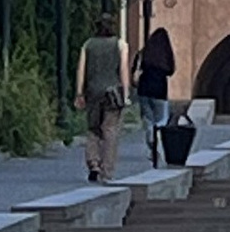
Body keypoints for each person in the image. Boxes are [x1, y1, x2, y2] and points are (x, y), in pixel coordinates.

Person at [76, 15, 128, 183]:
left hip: (93, 92)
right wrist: (125, 94)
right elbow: (123, 71)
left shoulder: (88, 44)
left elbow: (81, 70)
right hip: (113, 92)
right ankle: (107, 170)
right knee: (110, 130)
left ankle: (93, 163)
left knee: (93, 128)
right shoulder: (120, 45)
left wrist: (79, 92)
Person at [134, 18, 178, 166]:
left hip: (144, 89)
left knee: (148, 118)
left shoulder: (144, 53)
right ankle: (155, 141)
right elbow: (171, 71)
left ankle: (151, 144)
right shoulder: (165, 56)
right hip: (159, 90)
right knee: (161, 120)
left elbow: (134, 69)